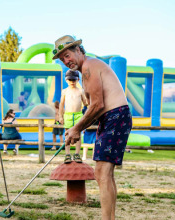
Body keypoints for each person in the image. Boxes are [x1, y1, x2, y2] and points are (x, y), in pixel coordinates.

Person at [53, 35, 132, 220]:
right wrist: (75, 129)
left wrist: (76, 129)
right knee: (105, 174)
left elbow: (97, 105)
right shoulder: (86, 70)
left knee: (102, 173)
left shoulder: (89, 66)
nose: (66, 61)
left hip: (115, 115)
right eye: (62, 59)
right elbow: (94, 108)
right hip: (112, 117)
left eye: (68, 55)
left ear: (79, 50)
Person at [59, 70, 88, 163]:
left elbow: (86, 103)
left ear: (78, 80)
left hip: (78, 115)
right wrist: (60, 116)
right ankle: (67, 154)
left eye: (74, 80)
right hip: (67, 114)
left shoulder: (80, 91)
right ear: (66, 80)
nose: (72, 82)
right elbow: (61, 104)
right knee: (67, 135)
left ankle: (77, 154)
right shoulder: (65, 91)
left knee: (78, 135)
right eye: (70, 80)